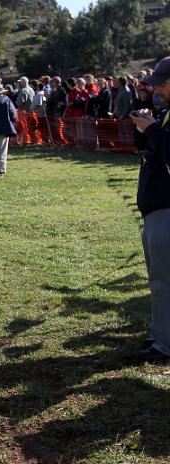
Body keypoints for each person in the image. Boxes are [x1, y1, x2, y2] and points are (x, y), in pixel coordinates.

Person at [130, 56, 170, 363]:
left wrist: (153, 129)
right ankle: (163, 333)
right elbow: (152, 151)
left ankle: (165, 343)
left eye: (162, 83)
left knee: (163, 280)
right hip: (157, 205)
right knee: (159, 277)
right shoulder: (165, 111)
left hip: (166, 207)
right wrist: (144, 129)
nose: (157, 89)